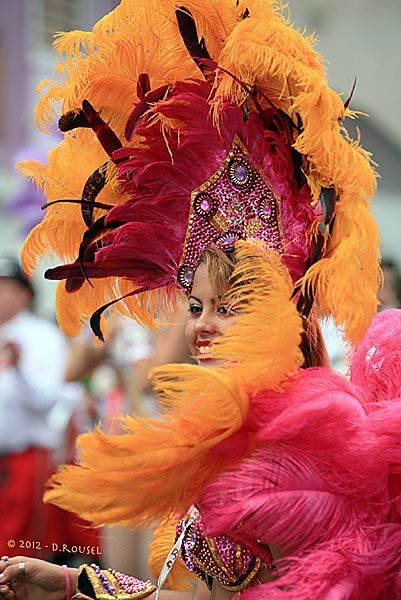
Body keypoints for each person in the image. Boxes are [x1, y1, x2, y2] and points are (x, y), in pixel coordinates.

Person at [1, 1, 400, 598]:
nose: (204, 326)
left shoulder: (304, 441)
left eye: (230, 305)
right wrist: (72, 582)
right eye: (195, 306)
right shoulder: (219, 431)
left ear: (282, 311)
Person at [0, 258, 84, 561]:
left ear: (25, 295)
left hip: (27, 458)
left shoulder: (41, 336)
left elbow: (50, 400)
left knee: (20, 554)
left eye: (5, 287)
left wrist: (19, 367)